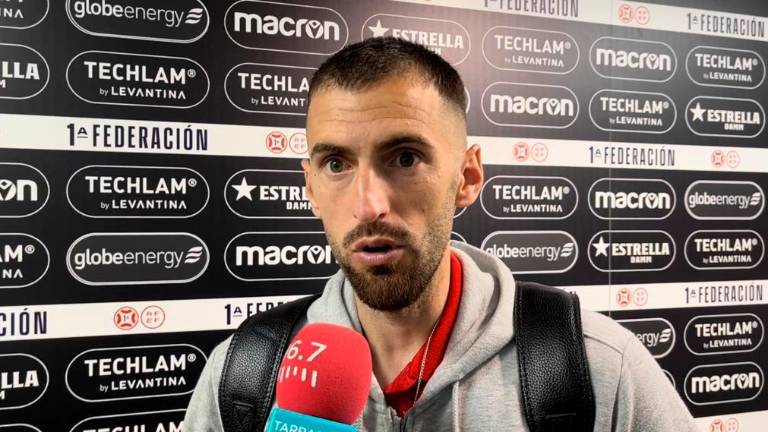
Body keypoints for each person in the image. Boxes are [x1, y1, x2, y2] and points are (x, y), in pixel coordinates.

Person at [184, 37, 698, 431]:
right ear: (311, 187)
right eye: (336, 163)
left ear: (468, 177)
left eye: (405, 158)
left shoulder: (598, 368)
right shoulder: (243, 373)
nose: (369, 205)